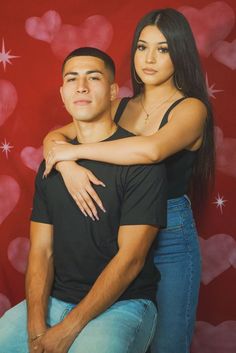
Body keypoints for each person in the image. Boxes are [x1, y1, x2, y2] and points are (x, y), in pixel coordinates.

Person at [42, 8, 215, 353]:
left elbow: (151, 150)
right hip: (118, 231)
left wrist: (73, 152)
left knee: (166, 345)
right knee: (114, 335)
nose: (148, 58)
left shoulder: (191, 109)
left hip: (169, 238)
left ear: (179, 53)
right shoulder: (119, 106)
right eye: (142, 47)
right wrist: (68, 166)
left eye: (162, 49)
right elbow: (53, 139)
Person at [0, 48, 167, 353]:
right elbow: (41, 250)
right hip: (54, 299)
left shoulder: (142, 163)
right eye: (72, 79)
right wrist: (36, 327)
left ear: (114, 91)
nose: (81, 87)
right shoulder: (53, 163)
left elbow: (130, 260)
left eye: (94, 77)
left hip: (123, 304)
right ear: (63, 93)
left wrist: (68, 329)